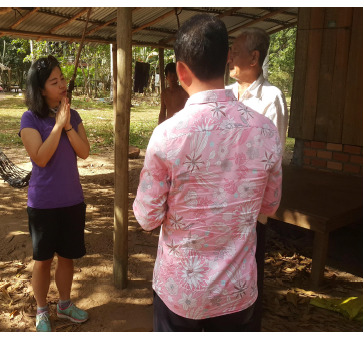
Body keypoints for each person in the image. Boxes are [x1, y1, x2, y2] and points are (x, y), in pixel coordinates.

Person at [133, 14, 283, 332]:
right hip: (238, 292)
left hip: (180, 292)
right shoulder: (266, 131)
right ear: (225, 59)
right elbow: (269, 206)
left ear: (182, 71)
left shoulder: (167, 136)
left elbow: (147, 218)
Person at [19, 55, 91, 332]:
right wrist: (58, 125)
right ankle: (41, 311)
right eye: (54, 81)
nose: (62, 84)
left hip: (72, 199)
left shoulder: (72, 114)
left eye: (62, 78)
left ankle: (63, 305)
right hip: (44, 203)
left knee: (67, 256)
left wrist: (68, 124)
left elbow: (84, 152)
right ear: (40, 89)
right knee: (42, 260)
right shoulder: (30, 118)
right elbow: (40, 158)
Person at [226, 27, 289, 331]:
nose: (229, 59)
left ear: (254, 57)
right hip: (223, 204)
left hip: (249, 208)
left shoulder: (270, 98)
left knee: (250, 274)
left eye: (235, 52)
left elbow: (269, 159)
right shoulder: (225, 94)